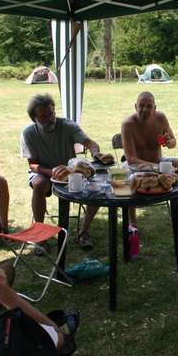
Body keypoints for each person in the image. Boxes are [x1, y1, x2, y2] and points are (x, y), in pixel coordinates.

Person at [20, 93, 113, 250]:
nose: (49, 120)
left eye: (51, 114)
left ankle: (83, 231)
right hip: (44, 172)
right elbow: (33, 165)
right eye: (43, 117)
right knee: (38, 183)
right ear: (34, 118)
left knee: (98, 185)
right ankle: (39, 233)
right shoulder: (29, 133)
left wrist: (95, 152)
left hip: (72, 173)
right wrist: (52, 172)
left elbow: (90, 143)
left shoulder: (67, 125)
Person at [121, 91, 178, 231]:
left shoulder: (160, 118)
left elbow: (173, 142)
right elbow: (131, 160)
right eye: (142, 106)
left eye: (149, 106)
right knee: (127, 176)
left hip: (158, 160)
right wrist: (159, 168)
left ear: (154, 108)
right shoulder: (128, 124)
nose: (145, 110)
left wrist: (169, 141)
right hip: (135, 166)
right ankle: (133, 222)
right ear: (135, 106)